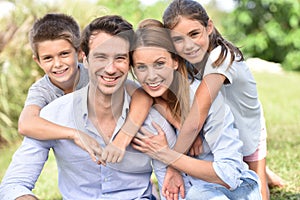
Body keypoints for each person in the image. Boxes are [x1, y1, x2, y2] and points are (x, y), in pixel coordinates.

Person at [0, 15, 176, 200]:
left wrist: (170, 154)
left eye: (120, 58)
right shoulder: (51, 113)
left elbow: (174, 189)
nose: (110, 68)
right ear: (84, 58)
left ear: (129, 62)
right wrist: (74, 133)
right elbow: (13, 185)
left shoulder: (150, 120)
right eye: (100, 56)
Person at [156, 0, 284, 199]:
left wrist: (174, 164)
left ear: (209, 26)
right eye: (178, 39)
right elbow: (159, 96)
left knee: (258, 189)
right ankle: (264, 172)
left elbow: (197, 114)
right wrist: (185, 126)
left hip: (247, 129)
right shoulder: (186, 62)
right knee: (226, 171)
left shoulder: (220, 57)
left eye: (194, 34)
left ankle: (265, 175)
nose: (188, 46)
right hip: (221, 134)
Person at [130, 19, 261, 200]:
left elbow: (229, 175)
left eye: (160, 63)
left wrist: (169, 156)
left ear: (175, 61)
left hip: (234, 190)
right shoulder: (148, 105)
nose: (151, 76)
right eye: (141, 67)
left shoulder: (205, 97)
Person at [17, 13, 152, 164]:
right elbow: (26, 123)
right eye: (48, 58)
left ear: (80, 53)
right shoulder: (42, 90)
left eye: (64, 54)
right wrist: (74, 134)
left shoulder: (96, 73)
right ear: (38, 61)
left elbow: (142, 95)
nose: (57, 64)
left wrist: (123, 138)